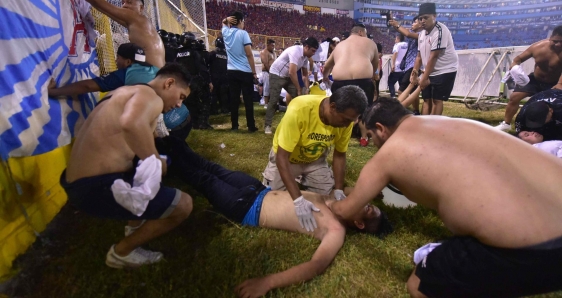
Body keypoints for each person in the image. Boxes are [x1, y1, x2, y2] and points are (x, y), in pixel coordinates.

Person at [329, 97, 562, 297]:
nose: (373, 144)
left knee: (419, 285)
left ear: (380, 128)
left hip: (541, 250)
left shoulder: (388, 154)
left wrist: (329, 203)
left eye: (371, 136)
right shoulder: (453, 122)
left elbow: (346, 210)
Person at [152, 135, 391, 297]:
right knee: (211, 167)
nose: (365, 201)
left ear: (359, 223)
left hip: (246, 208)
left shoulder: (336, 231)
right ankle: (167, 141)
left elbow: (315, 266)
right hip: (259, 190)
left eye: (368, 208)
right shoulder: (339, 201)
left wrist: (267, 282)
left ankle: (154, 159)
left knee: (204, 179)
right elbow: (354, 190)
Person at [60, 63, 194, 269]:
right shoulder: (151, 97)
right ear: (169, 83)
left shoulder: (121, 91)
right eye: (181, 97)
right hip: (93, 188)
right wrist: (156, 161)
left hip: (74, 181)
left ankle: (134, 225)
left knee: (157, 161)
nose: (178, 105)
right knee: (183, 205)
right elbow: (131, 122)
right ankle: (122, 252)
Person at [262, 86, 367, 232]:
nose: (347, 125)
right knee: (270, 199)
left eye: (351, 121)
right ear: (332, 107)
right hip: (288, 160)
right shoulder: (299, 109)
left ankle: (303, 180)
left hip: (314, 161)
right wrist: (298, 201)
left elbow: (339, 154)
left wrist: (338, 188)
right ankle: (295, 179)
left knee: (329, 198)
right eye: (345, 120)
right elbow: (282, 157)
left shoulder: (346, 120)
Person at [495, 25, 562, 131]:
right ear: (550, 38)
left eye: (561, 42)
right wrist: (514, 65)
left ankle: (551, 127)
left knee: (553, 106)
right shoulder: (537, 47)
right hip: (535, 79)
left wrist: (559, 84)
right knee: (514, 97)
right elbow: (518, 58)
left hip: (555, 82)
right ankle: (506, 124)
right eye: (555, 41)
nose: (558, 44)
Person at [322, 23, 378, 147]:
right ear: (361, 32)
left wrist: (325, 77)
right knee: (364, 110)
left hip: (340, 81)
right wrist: (372, 74)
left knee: (339, 110)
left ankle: (336, 136)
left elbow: (326, 66)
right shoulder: (370, 42)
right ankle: (364, 137)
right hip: (363, 80)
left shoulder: (339, 45)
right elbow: (375, 64)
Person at [48, 43, 157, 97]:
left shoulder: (128, 73)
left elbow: (88, 86)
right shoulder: (155, 69)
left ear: (128, 62)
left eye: (118, 58)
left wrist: (54, 92)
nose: (115, 60)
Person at [264, 37, 319, 135]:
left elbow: (305, 75)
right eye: (313, 50)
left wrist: (305, 89)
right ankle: (267, 125)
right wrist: (298, 89)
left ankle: (302, 123)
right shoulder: (295, 51)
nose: (314, 53)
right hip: (276, 74)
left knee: (301, 97)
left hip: (287, 76)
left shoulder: (305, 57)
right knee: (274, 100)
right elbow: (292, 72)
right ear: (306, 47)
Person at [86, 0, 165, 68]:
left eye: (129, 2)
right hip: (157, 75)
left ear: (141, 8)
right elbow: (105, 11)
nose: (125, 5)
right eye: (123, 2)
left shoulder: (136, 18)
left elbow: (98, 3)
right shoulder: (142, 23)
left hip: (149, 75)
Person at [412, 2, 458, 116]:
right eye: (420, 18)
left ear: (434, 16)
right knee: (427, 99)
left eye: (426, 18)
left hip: (445, 70)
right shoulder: (422, 34)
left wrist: (424, 78)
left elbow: (434, 57)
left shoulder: (440, 30)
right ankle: (424, 126)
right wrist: (414, 72)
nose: (422, 21)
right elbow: (419, 56)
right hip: (430, 69)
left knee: (437, 100)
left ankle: (434, 127)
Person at [222, 11, 259, 132]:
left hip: (231, 71)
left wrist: (227, 19)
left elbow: (223, 23)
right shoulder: (243, 34)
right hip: (245, 71)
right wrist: (254, 72)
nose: (244, 24)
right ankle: (251, 126)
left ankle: (234, 126)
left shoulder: (226, 32)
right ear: (239, 21)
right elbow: (249, 54)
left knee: (234, 99)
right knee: (248, 100)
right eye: (243, 21)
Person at [389, 15, 423, 115]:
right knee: (412, 91)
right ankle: (416, 111)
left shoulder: (421, 34)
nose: (412, 24)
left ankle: (401, 111)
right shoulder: (414, 33)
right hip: (410, 66)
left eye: (414, 22)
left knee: (401, 91)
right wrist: (393, 22)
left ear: (421, 24)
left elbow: (407, 34)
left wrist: (397, 24)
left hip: (414, 65)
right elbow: (402, 31)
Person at [208, 37, 230, 114]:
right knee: (223, 94)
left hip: (214, 77)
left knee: (214, 94)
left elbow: (207, 64)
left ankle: (214, 110)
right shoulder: (226, 54)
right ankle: (224, 109)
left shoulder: (212, 53)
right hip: (224, 77)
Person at [388, 34, 408, 99]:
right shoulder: (407, 44)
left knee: (390, 82)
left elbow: (395, 53)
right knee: (401, 84)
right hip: (404, 67)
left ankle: (393, 97)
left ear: (398, 39)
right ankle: (402, 98)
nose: (395, 40)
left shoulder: (397, 45)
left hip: (397, 67)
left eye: (396, 39)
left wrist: (393, 65)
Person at [259, 39, 277, 108]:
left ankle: (272, 103)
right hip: (267, 72)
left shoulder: (274, 53)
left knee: (273, 88)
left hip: (273, 72)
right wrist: (270, 72)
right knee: (267, 87)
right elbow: (266, 63)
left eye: (274, 46)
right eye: (272, 45)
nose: (273, 47)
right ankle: (266, 103)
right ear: (268, 45)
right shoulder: (264, 52)